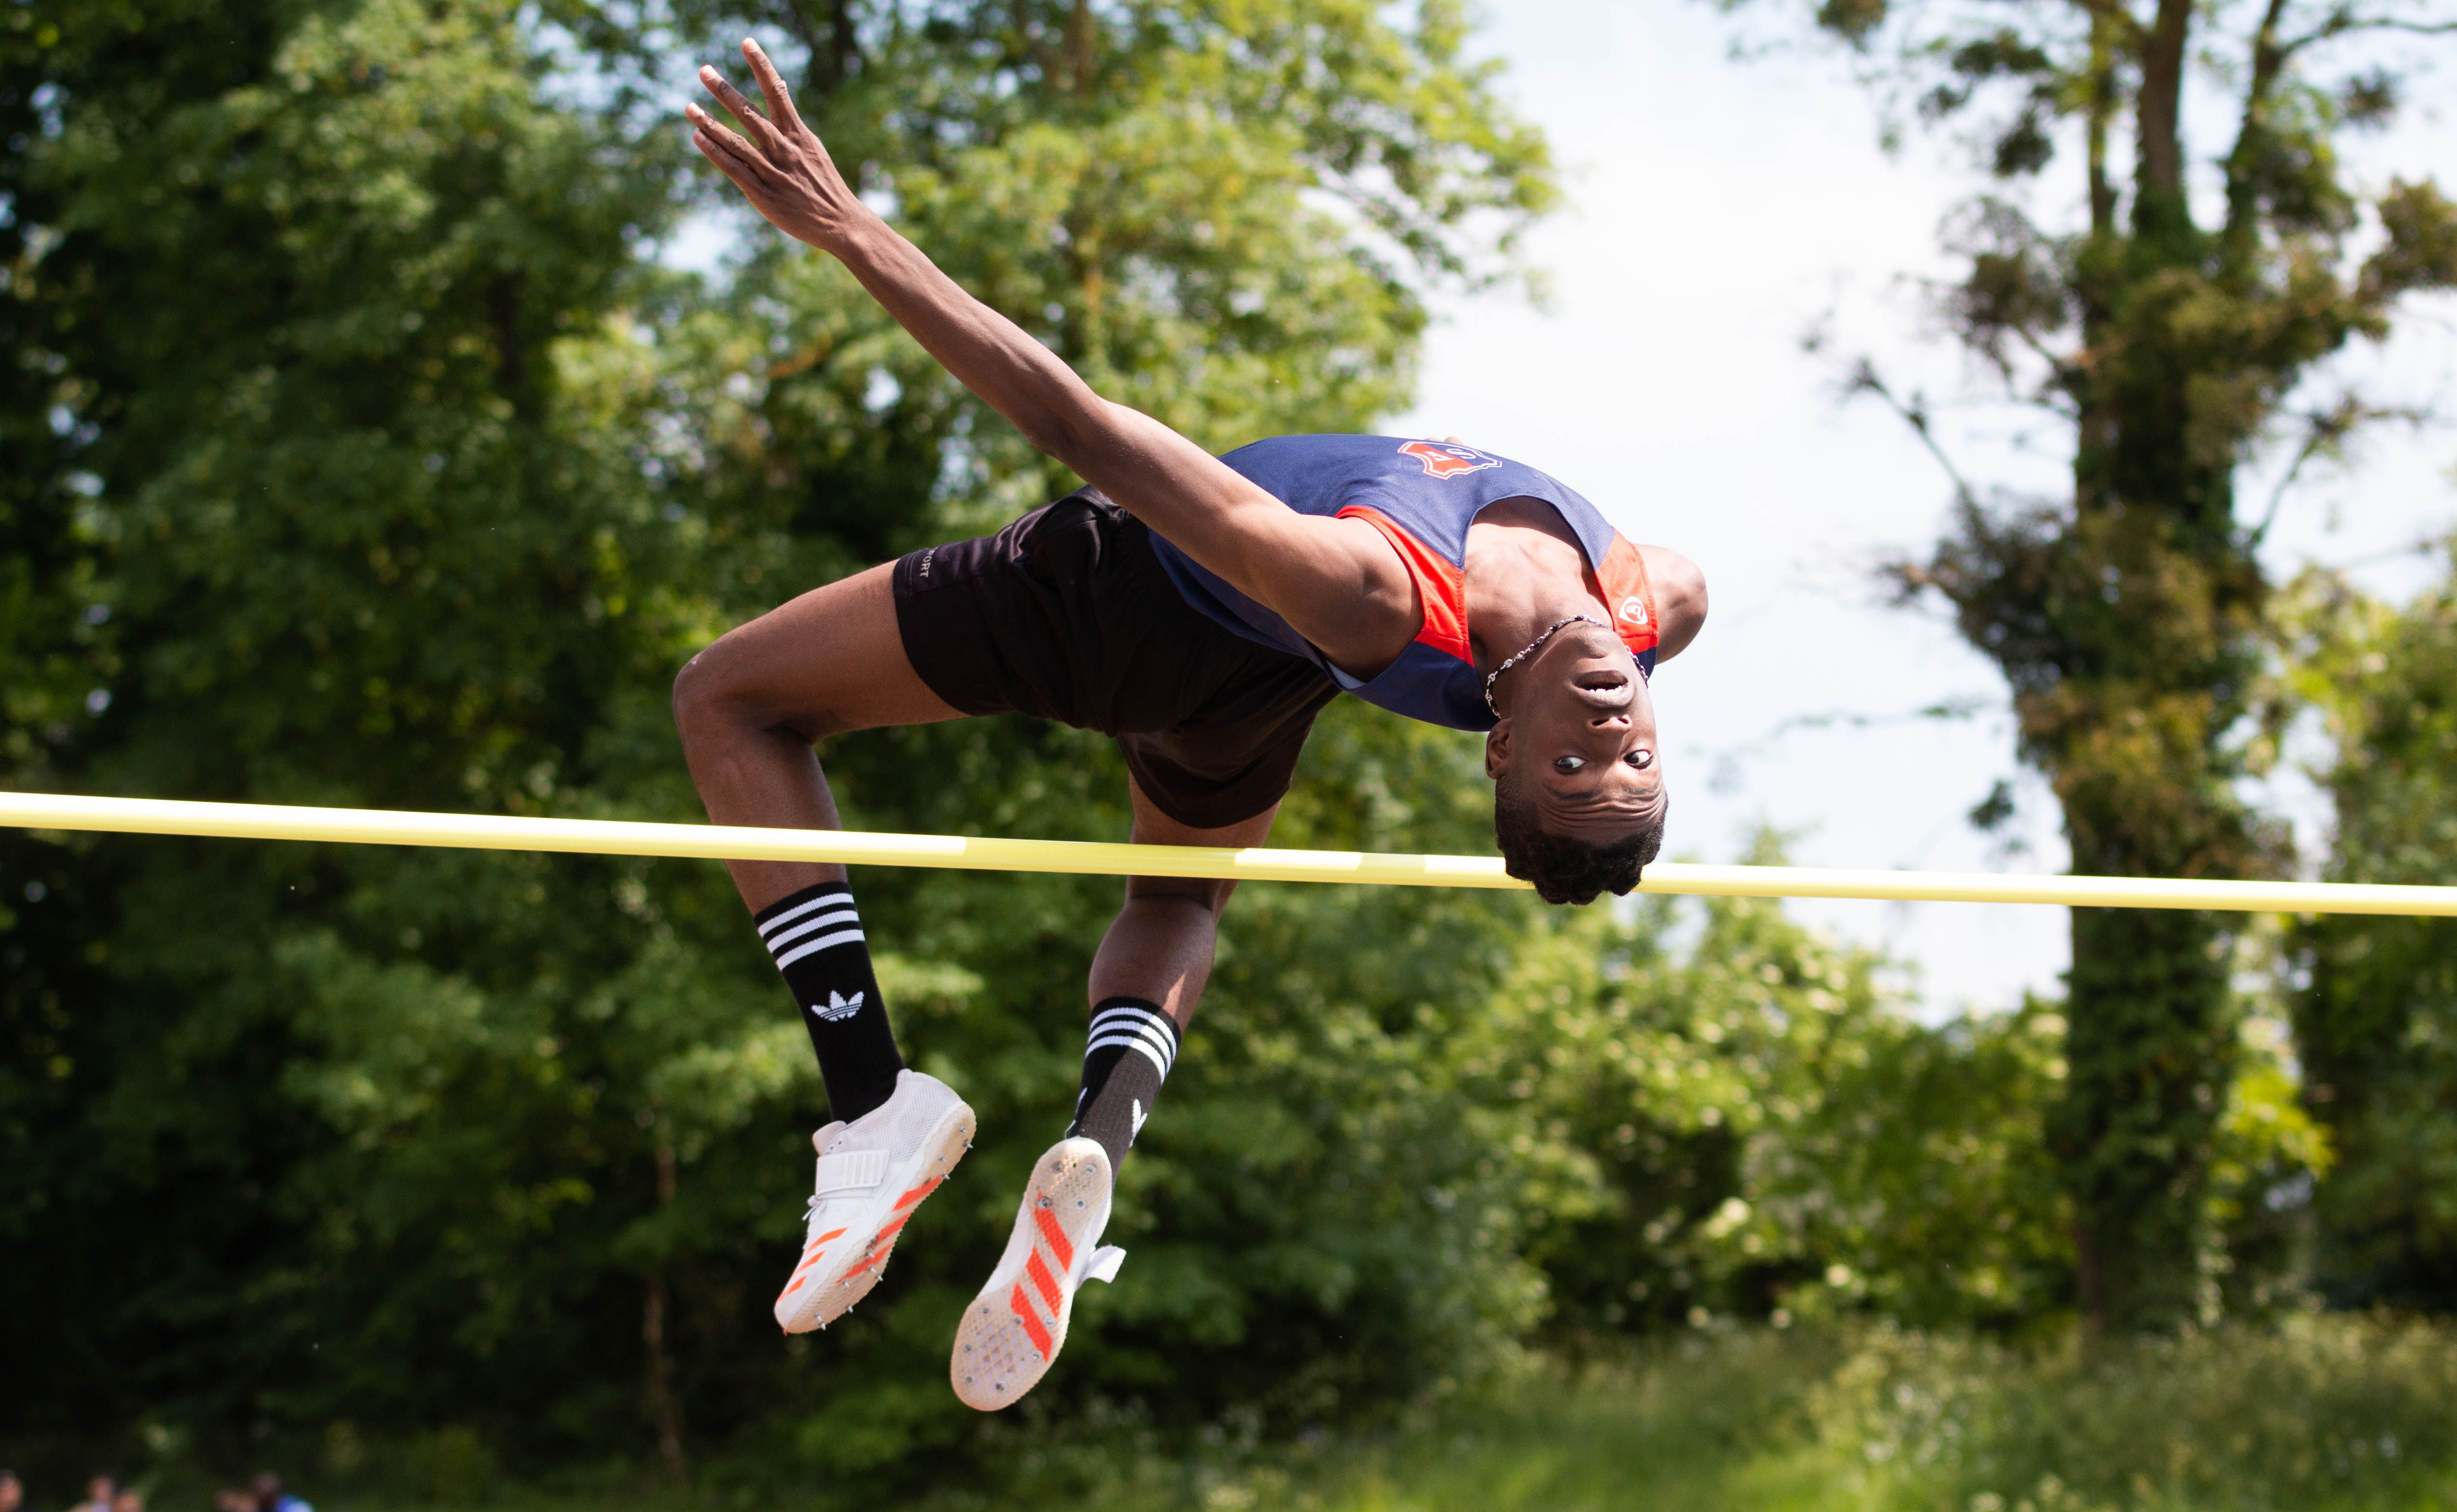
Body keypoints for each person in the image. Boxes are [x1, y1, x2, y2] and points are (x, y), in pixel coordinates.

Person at [674, 39, 1708, 1412]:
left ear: (1497, 746)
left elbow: (1089, 431)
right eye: (1630, 759)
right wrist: (1593, 792)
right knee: (1182, 897)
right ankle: (1099, 1141)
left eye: (1572, 766)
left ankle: (871, 1103)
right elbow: (1626, 680)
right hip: (1247, 689)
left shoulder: (1374, 594)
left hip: (1113, 601)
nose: (1608, 730)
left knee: (730, 698)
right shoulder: (1663, 602)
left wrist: (854, 232)